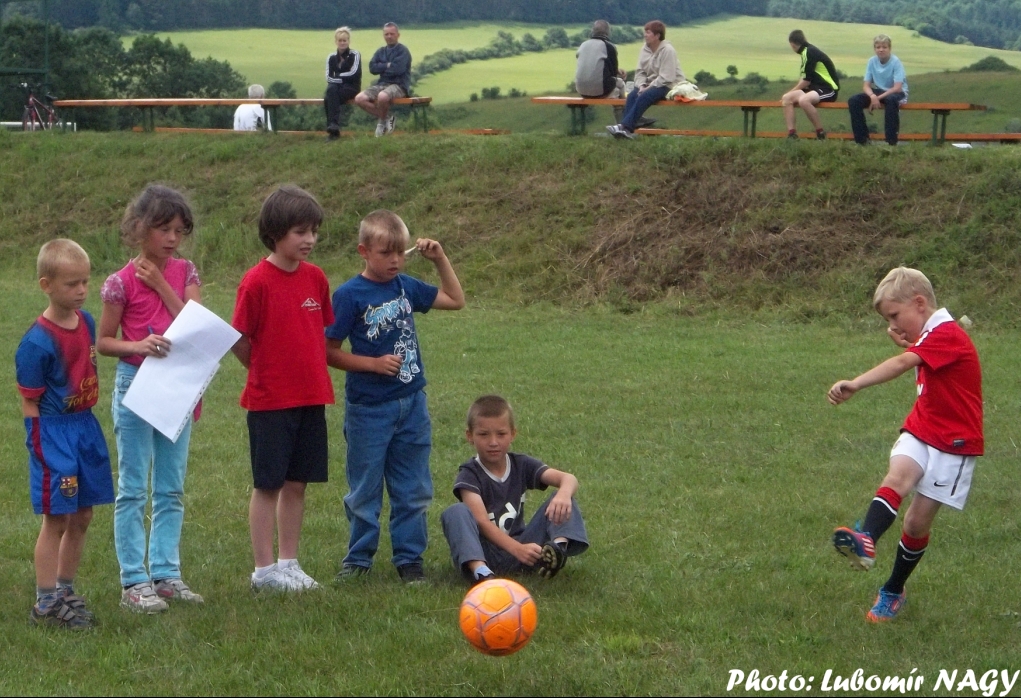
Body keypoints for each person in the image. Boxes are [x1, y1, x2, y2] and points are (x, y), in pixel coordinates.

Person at [827, 267, 982, 622]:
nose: (893, 324)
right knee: (898, 476)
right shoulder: (932, 335)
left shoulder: (948, 334)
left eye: (896, 316)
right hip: (922, 427)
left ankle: (894, 590)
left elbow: (902, 363)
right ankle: (865, 538)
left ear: (919, 303)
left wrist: (856, 383)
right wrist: (910, 338)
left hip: (954, 444)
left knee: (915, 524)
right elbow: (916, 350)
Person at [326, 209, 465, 583]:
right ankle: (358, 560)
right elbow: (327, 350)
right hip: (369, 409)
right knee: (364, 489)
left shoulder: (405, 286)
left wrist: (440, 259)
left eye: (401, 253)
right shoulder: (349, 295)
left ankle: (409, 560)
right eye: (387, 253)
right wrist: (371, 365)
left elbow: (455, 299)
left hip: (412, 404)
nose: (396, 261)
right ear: (364, 251)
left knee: (413, 487)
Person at [98, 184, 204, 613]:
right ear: (139, 228)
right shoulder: (118, 283)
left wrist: (161, 283)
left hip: (176, 384)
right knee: (133, 487)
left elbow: (193, 323)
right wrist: (138, 346)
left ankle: (166, 573)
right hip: (136, 387)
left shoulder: (185, 272)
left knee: (171, 486)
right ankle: (133, 581)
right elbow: (104, 342)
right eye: (163, 229)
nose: (172, 238)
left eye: (179, 230)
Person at [231, 185, 335, 593]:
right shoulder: (255, 282)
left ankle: (289, 563)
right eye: (300, 232)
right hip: (270, 402)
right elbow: (240, 339)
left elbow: (319, 332)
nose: (309, 240)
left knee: (297, 483)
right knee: (268, 484)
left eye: (314, 231)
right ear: (275, 233)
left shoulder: (316, 278)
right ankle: (263, 571)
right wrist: (264, 373)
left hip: (311, 397)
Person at [16, 239, 115, 629]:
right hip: (53, 432)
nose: (81, 291)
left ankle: (65, 590)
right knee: (56, 517)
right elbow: (30, 403)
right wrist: (42, 448)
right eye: (72, 284)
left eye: (85, 283)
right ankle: (45, 603)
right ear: (46, 284)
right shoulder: (36, 343)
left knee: (84, 513)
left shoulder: (88, 322)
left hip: (84, 426)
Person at [441, 395, 589, 584]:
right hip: (487, 552)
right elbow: (482, 521)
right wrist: (517, 549)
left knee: (561, 498)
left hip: (523, 551)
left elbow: (569, 478)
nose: (493, 442)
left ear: (513, 434)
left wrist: (564, 493)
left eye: (501, 434)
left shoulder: (521, 464)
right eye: (484, 434)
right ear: (470, 436)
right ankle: (481, 573)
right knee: (456, 512)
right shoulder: (470, 474)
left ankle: (556, 550)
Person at [606, 20, 683, 140]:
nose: (645, 35)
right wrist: (641, 85)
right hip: (651, 84)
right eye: (645, 32)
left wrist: (647, 88)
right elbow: (640, 71)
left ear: (657, 36)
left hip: (669, 85)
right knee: (632, 95)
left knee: (644, 96)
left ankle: (624, 128)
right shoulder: (645, 49)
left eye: (648, 32)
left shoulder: (668, 50)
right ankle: (625, 129)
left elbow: (667, 77)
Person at [847, 34, 908, 146]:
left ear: (889, 48)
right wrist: (872, 96)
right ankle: (862, 141)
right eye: (878, 47)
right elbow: (866, 85)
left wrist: (878, 98)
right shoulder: (872, 61)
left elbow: (897, 87)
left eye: (884, 47)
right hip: (878, 90)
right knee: (854, 101)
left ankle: (891, 141)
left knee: (891, 101)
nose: (881, 50)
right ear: (874, 49)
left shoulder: (895, 62)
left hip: (896, 92)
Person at [354, 22, 412, 137]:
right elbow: (372, 68)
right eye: (386, 34)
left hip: (399, 85)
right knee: (359, 99)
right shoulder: (380, 51)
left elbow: (398, 70)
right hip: (382, 84)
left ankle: (381, 124)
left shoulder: (403, 51)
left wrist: (382, 67)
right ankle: (388, 118)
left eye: (392, 34)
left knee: (382, 96)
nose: (389, 36)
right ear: (383, 35)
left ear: (398, 35)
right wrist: (387, 65)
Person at [781, 30, 840, 140]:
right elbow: (804, 77)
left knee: (804, 100)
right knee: (786, 98)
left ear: (792, 44)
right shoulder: (805, 52)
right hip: (814, 88)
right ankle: (792, 134)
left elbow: (806, 81)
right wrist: (790, 93)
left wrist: (792, 90)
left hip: (828, 88)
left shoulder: (809, 52)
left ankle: (820, 133)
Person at [575, 19, 627, 124]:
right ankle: (623, 124)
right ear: (608, 32)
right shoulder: (609, 46)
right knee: (620, 84)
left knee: (614, 85)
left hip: (581, 90)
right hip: (600, 90)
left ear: (592, 31)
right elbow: (612, 73)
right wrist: (617, 71)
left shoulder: (583, 45)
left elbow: (591, 64)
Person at [324, 26, 362, 141]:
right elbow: (328, 77)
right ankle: (333, 127)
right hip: (337, 88)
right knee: (330, 92)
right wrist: (341, 79)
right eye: (340, 40)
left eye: (344, 40)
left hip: (352, 87)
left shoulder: (355, 55)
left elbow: (354, 74)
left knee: (329, 97)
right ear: (336, 42)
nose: (342, 43)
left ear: (348, 41)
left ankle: (333, 130)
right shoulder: (331, 57)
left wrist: (338, 77)